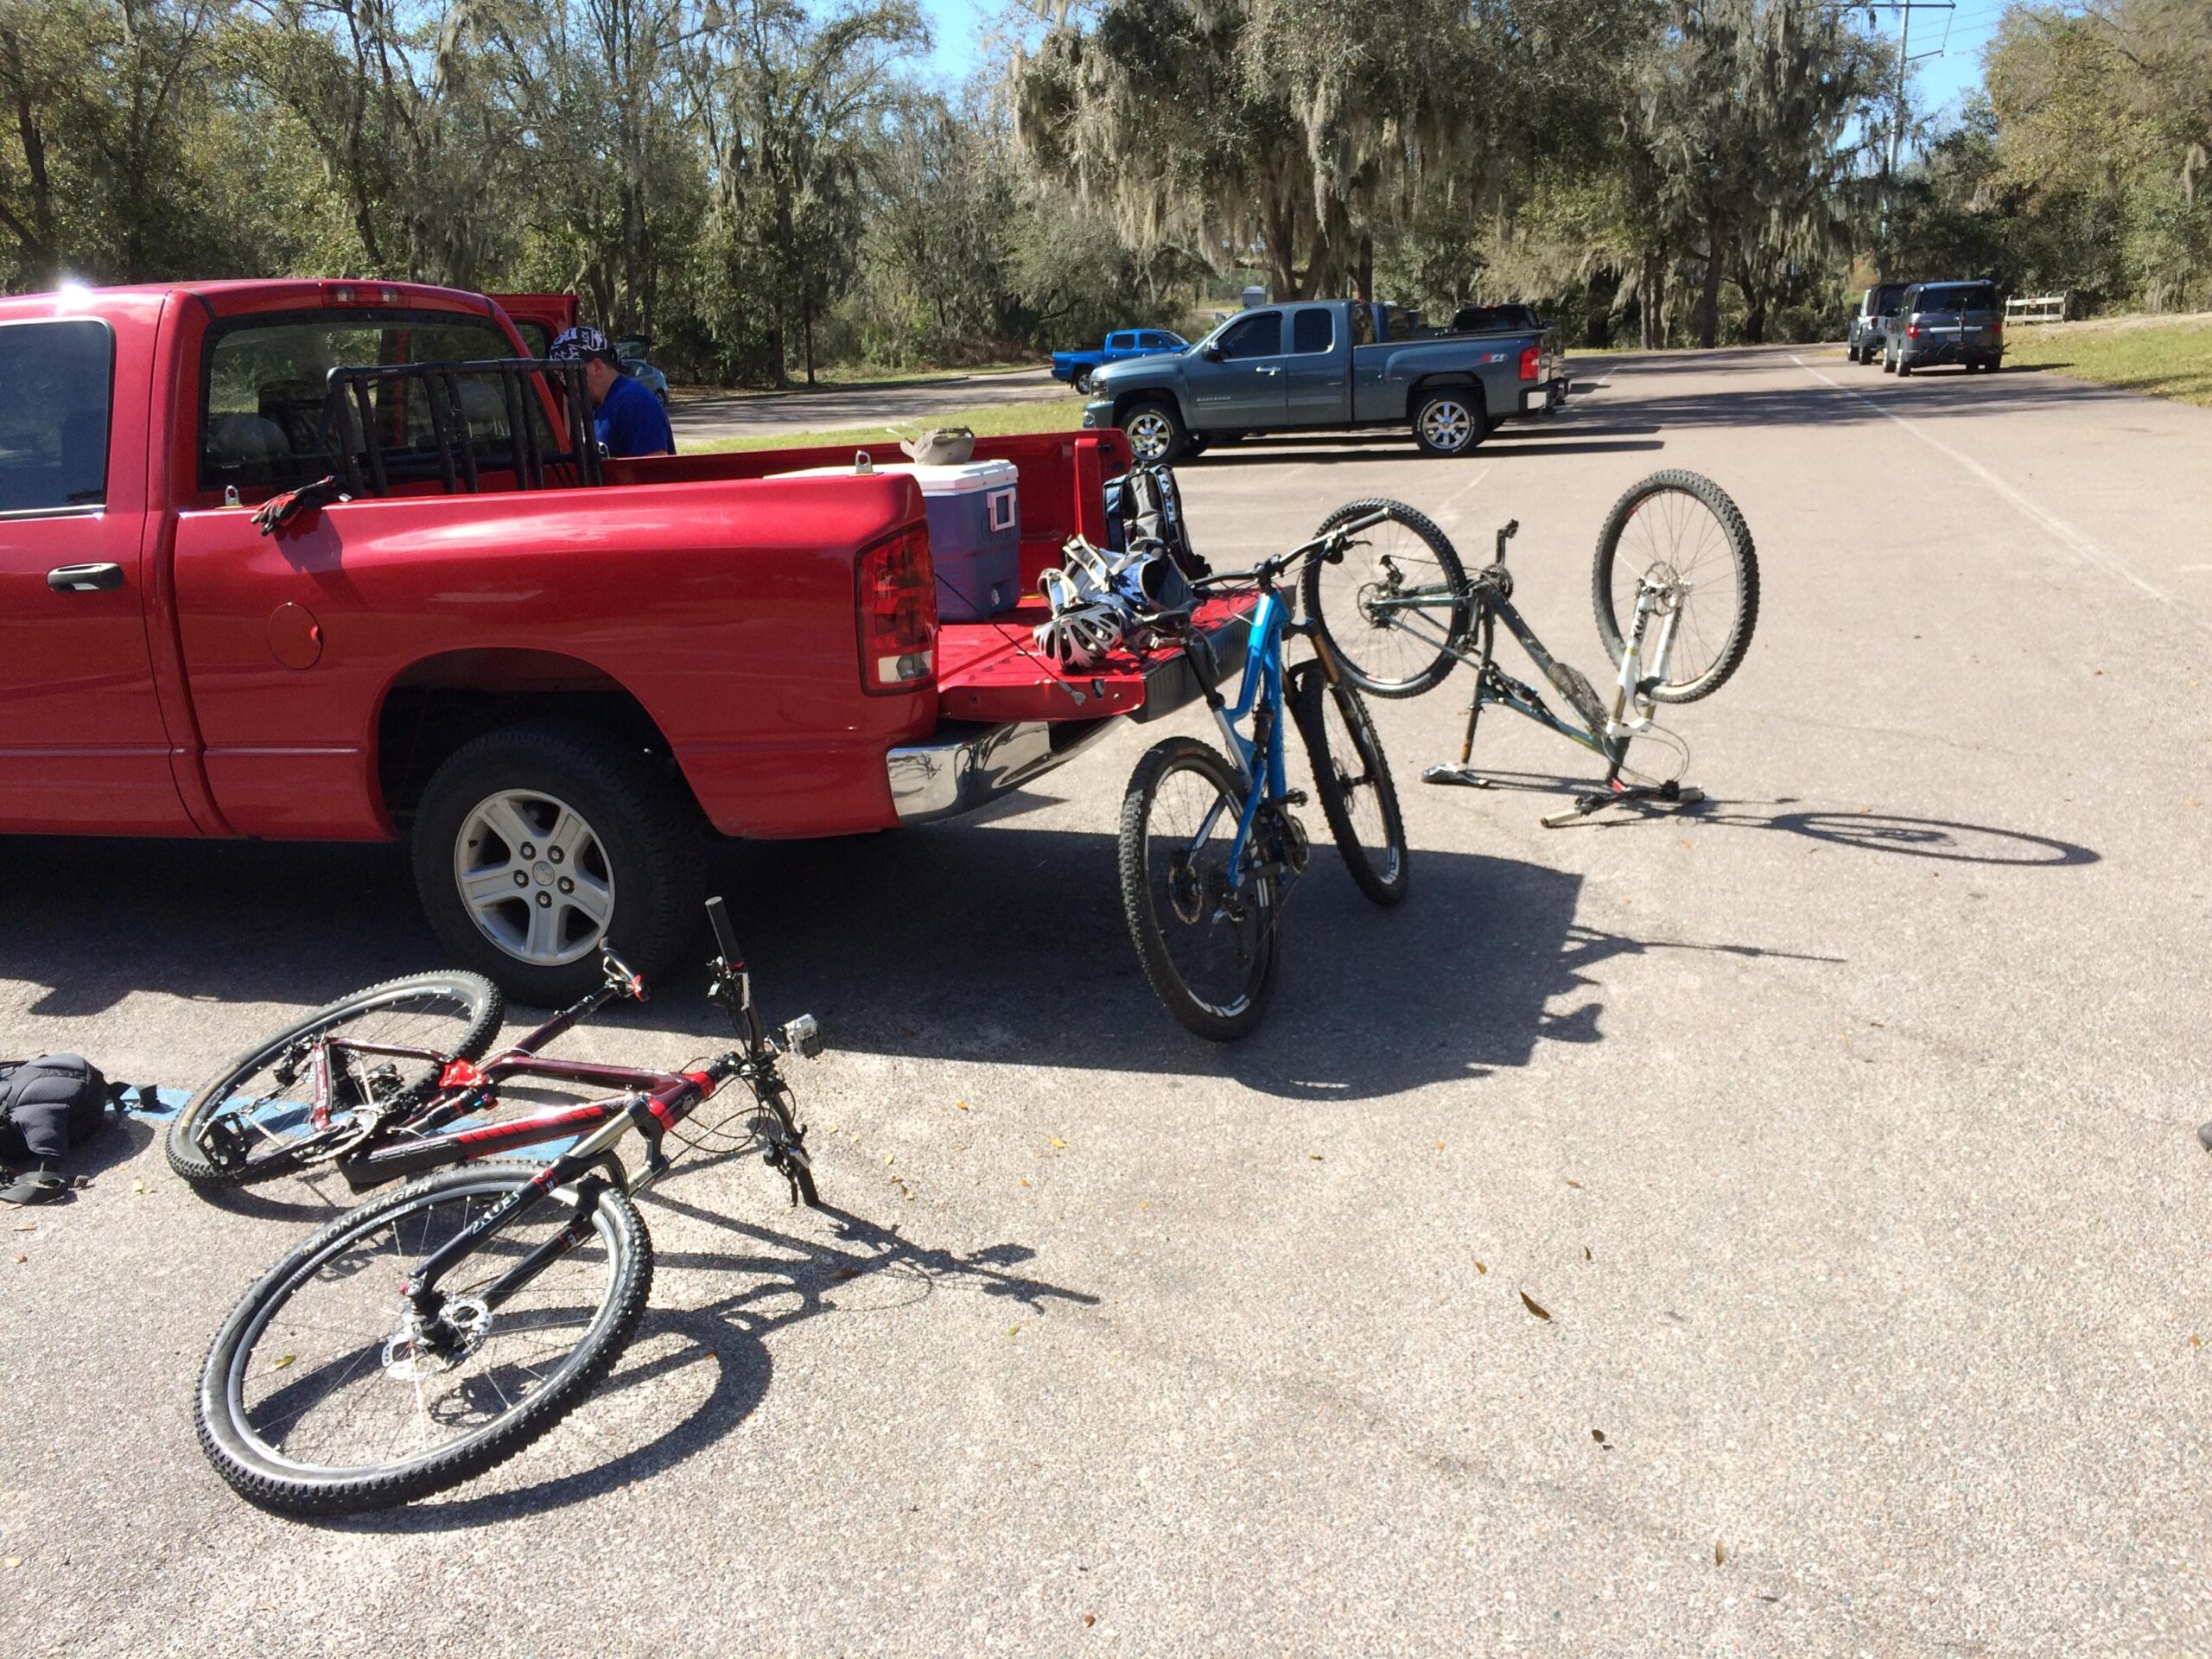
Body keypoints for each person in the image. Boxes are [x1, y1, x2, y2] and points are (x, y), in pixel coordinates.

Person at [547, 324, 673, 459]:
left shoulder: (636, 404)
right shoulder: (599, 407)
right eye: (560, 377)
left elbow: (653, 470)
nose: (565, 383)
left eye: (567, 374)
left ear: (596, 366)